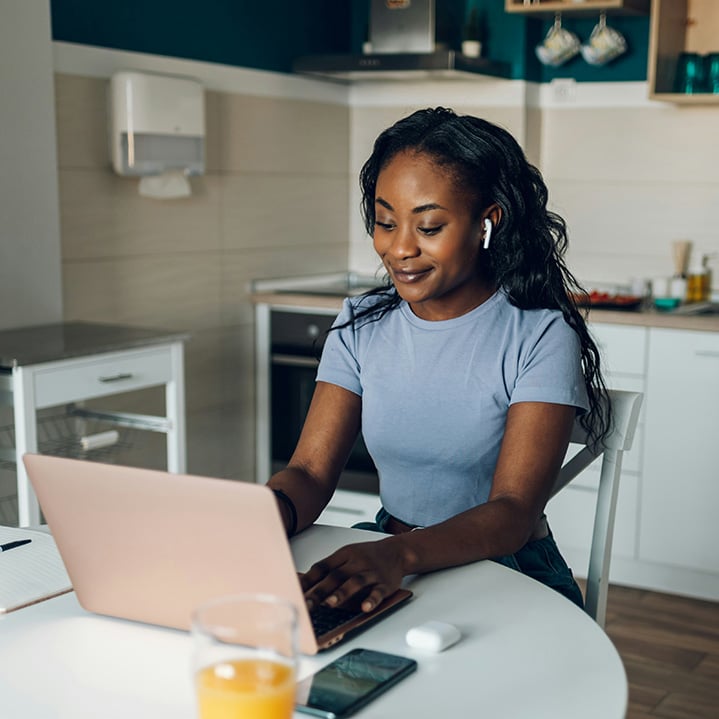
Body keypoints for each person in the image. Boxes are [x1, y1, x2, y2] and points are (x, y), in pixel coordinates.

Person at [268, 107, 609, 615]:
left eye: (428, 226)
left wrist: (399, 553)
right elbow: (311, 474)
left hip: (504, 567)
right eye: (385, 222)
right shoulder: (361, 324)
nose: (399, 247)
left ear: (487, 223)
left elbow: (513, 512)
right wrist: (260, 516)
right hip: (389, 553)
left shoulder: (539, 335)